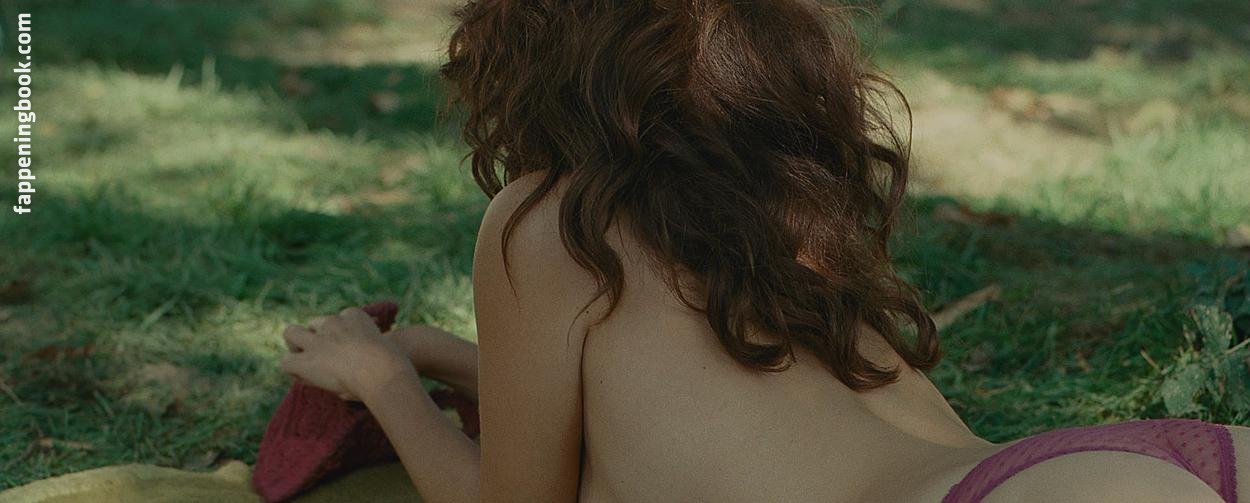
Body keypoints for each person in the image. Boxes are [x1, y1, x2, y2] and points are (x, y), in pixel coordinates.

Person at [275, 1, 1249, 501]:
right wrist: (440, 352)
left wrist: (384, 381)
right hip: (1129, 460)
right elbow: (675, 404)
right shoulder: (780, 211)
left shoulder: (544, 220)